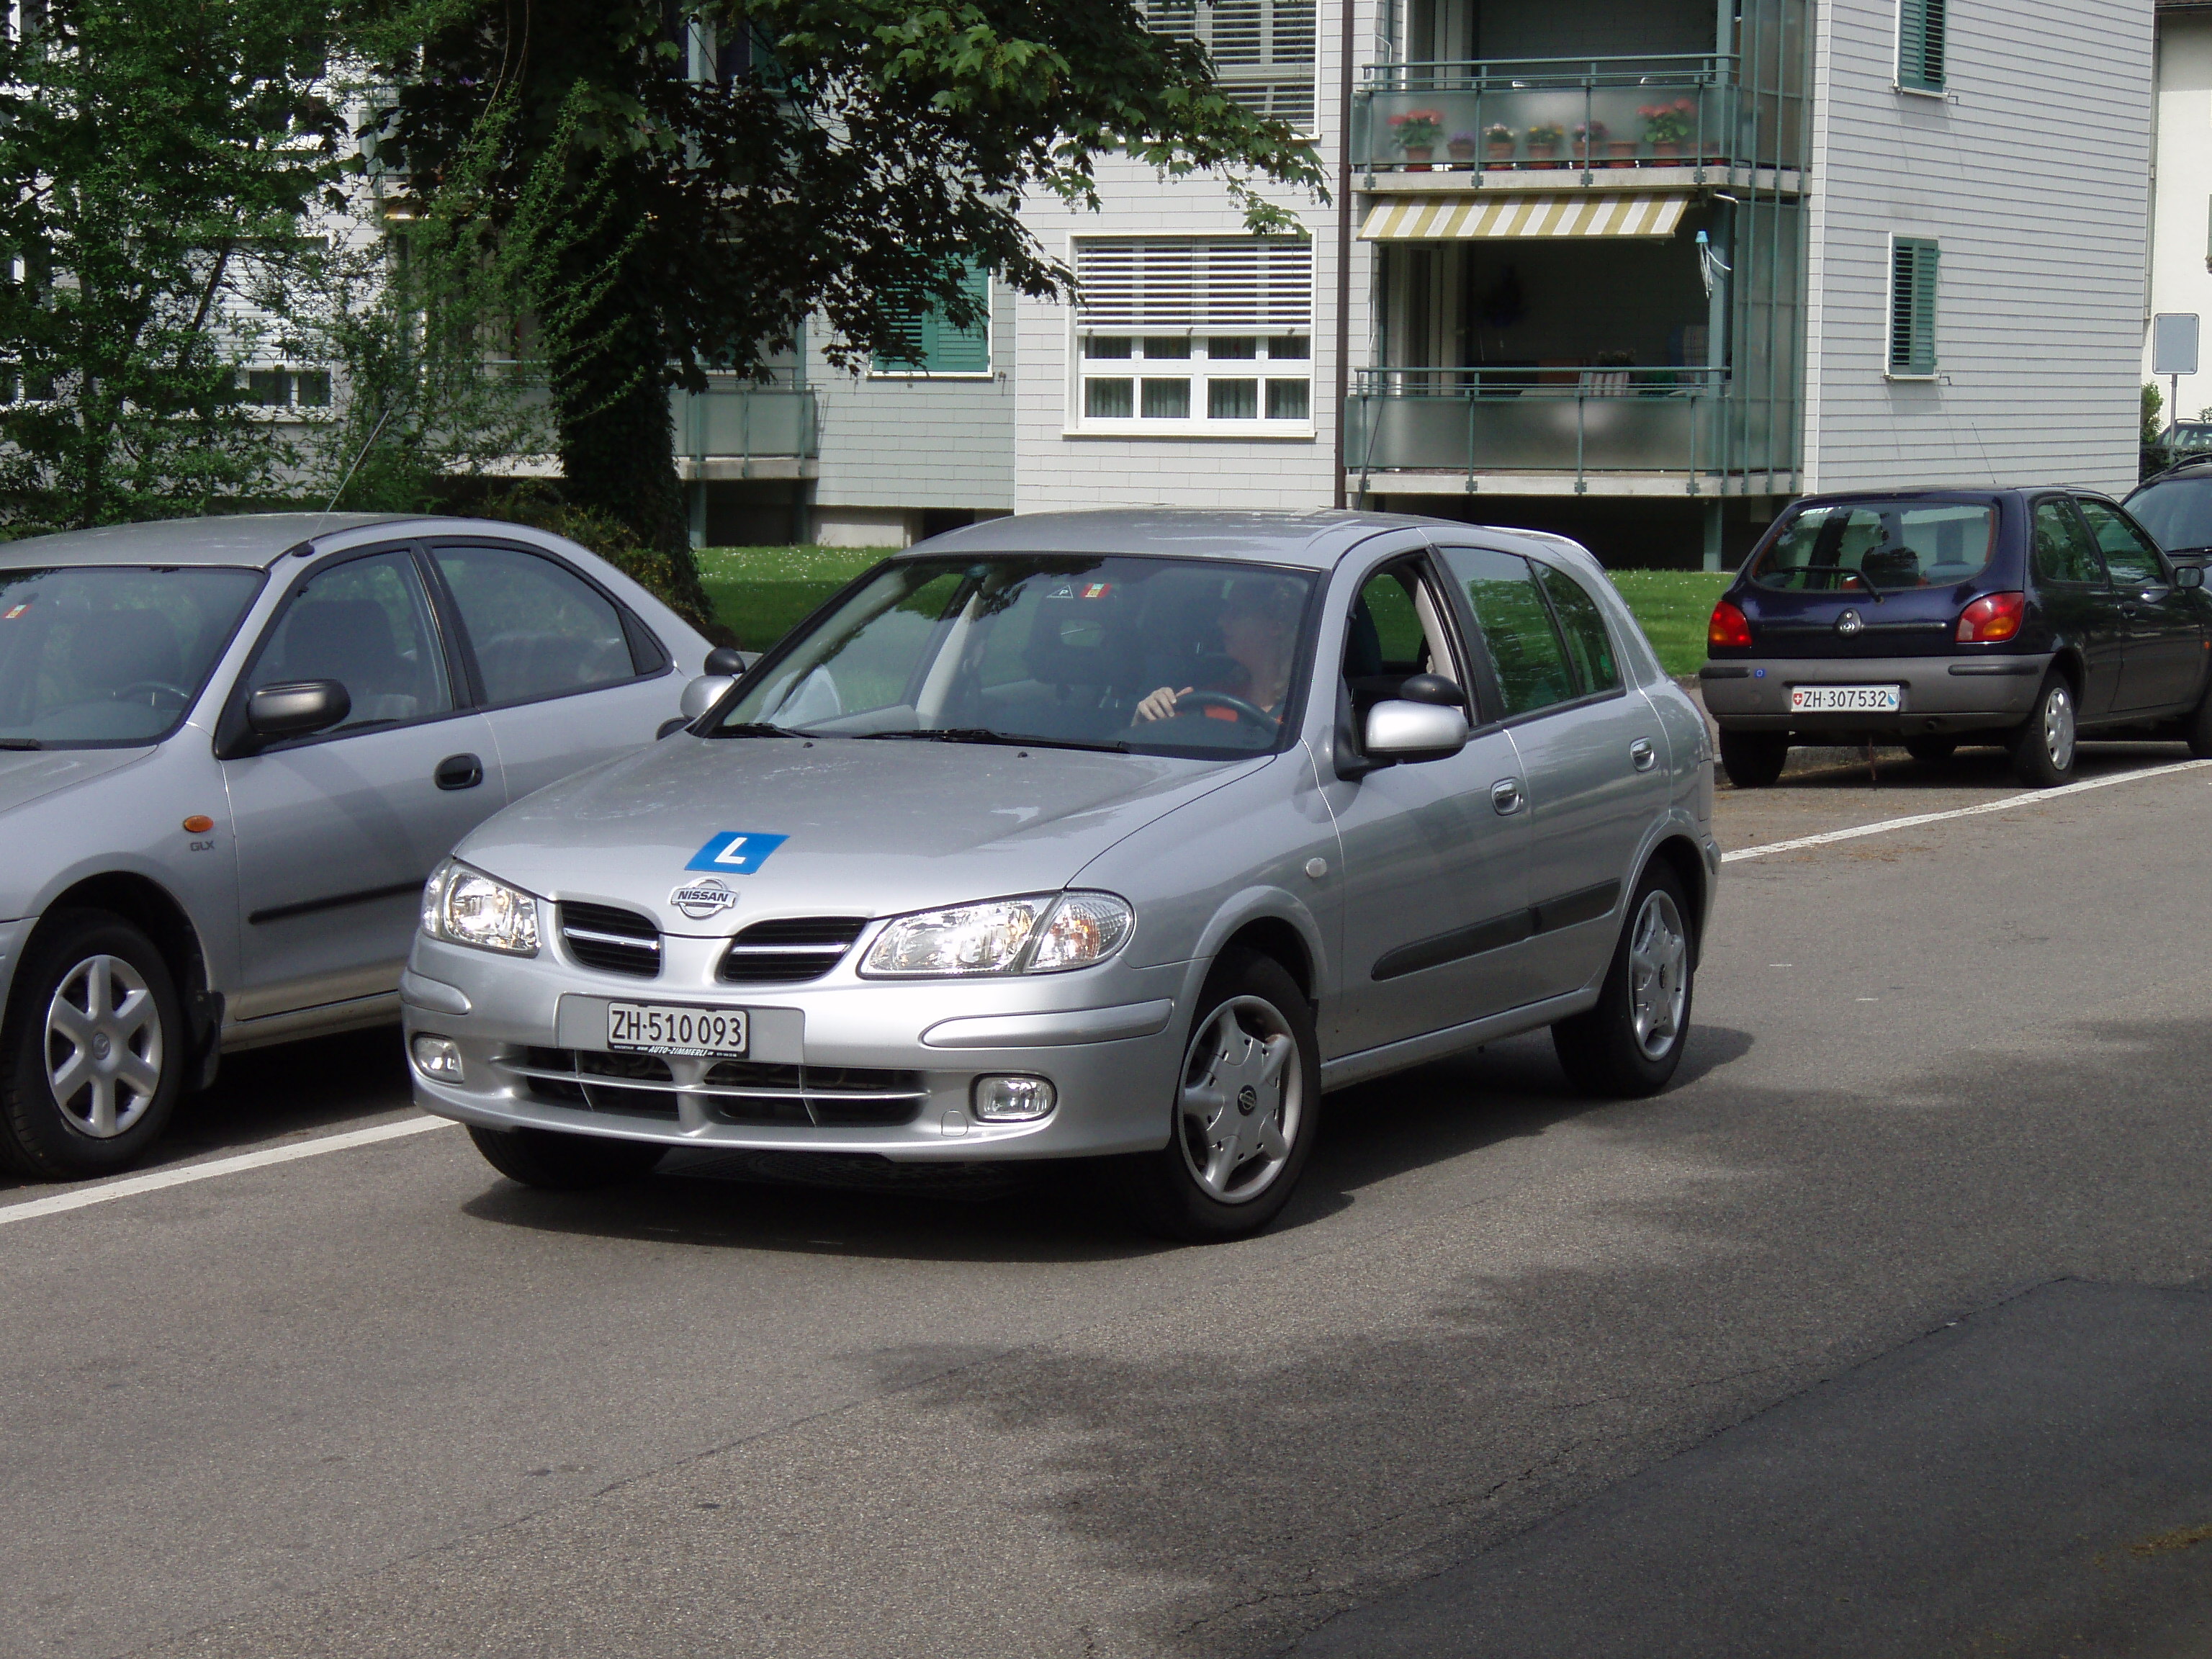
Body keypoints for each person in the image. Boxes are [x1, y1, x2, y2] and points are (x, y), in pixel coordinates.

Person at [1135, 576, 1303, 727]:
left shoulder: (1306, 710)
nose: (1222, 621)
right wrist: (1147, 716)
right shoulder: (1209, 699)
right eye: (1225, 610)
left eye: (1237, 612)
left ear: (1276, 625)